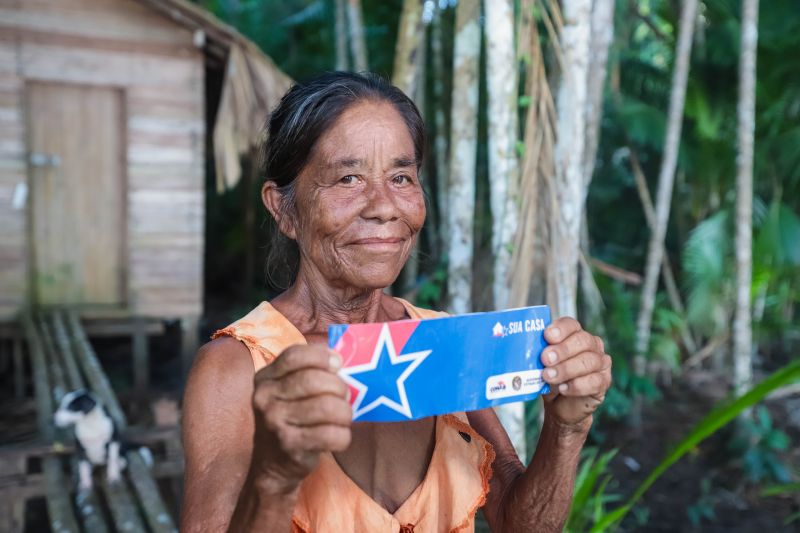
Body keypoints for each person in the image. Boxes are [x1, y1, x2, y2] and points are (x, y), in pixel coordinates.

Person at [181, 71, 613, 532]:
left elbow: (518, 523)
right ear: (284, 209)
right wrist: (273, 476)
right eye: (348, 178)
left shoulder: (443, 342)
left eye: (401, 177)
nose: (384, 206)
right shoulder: (238, 368)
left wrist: (566, 428)